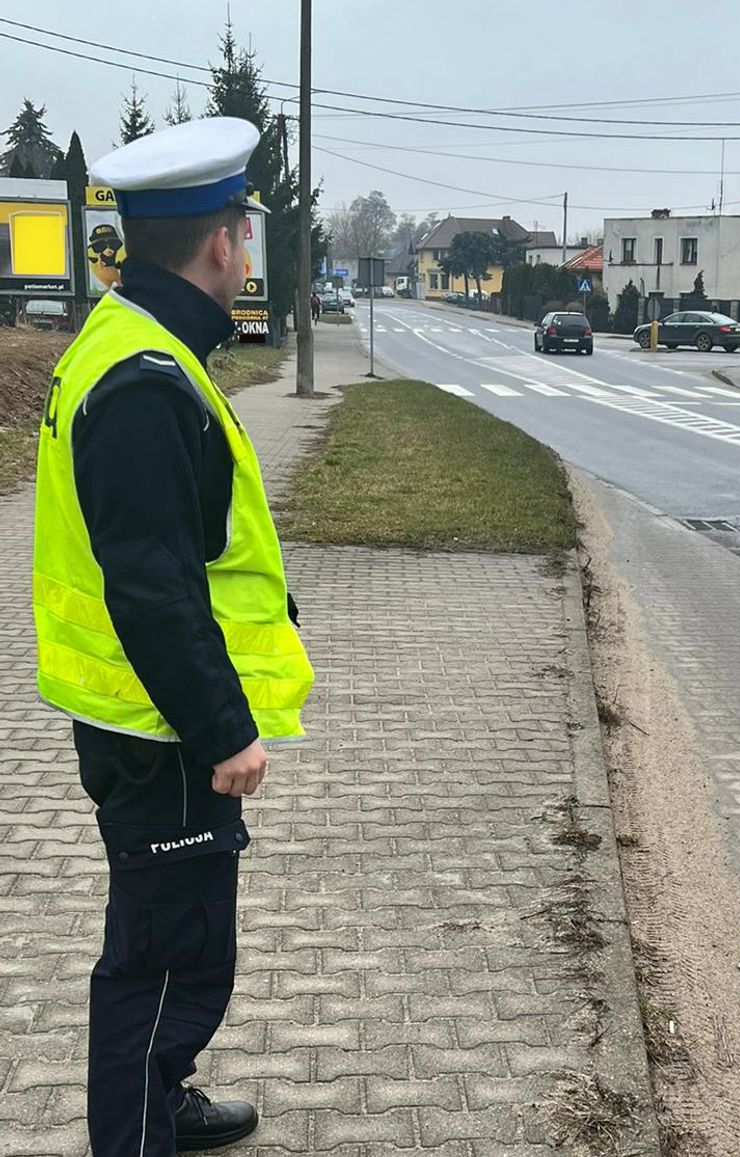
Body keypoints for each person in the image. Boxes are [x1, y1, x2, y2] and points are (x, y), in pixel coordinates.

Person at [32, 117, 314, 1155]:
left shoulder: (129, 343)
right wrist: (223, 728)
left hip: (141, 721)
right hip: (163, 733)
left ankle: (166, 1094)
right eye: (242, 234)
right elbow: (150, 586)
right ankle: (138, 1130)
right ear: (221, 245)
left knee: (172, 936)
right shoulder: (148, 380)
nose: (244, 253)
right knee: (166, 957)